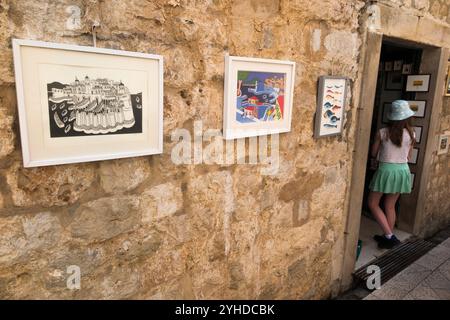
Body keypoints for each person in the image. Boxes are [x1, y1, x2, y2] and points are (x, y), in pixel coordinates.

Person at [368, 100, 415, 249]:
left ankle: (389, 236)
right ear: (407, 117)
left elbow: (373, 153)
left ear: (392, 117)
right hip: (402, 171)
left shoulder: (382, 133)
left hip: (386, 170)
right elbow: (409, 157)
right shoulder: (411, 133)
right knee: (390, 205)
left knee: (372, 203)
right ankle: (388, 235)